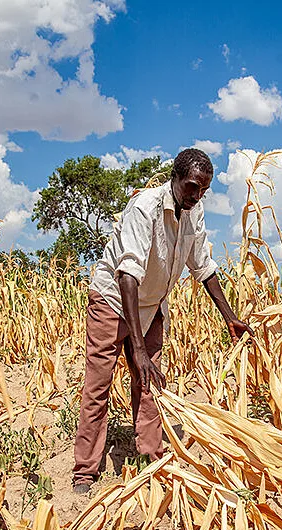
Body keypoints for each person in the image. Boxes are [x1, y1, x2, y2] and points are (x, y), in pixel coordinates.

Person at [72, 148, 252, 493]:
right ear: (174, 178)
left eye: (203, 190)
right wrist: (136, 349)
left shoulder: (193, 213)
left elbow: (203, 267)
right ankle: (84, 472)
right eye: (191, 187)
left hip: (152, 304)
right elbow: (127, 275)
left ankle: (152, 456)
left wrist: (230, 318)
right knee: (98, 386)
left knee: (150, 382)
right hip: (113, 300)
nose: (197, 196)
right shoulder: (145, 208)